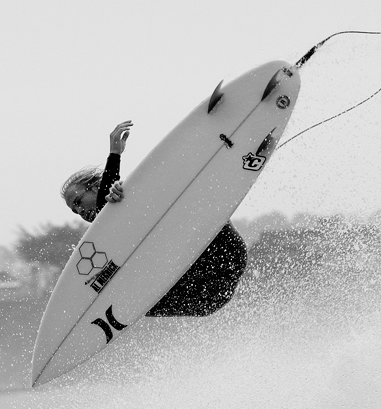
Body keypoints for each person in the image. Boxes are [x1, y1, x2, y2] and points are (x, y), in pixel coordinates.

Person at [60, 120, 247, 317]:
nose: (80, 211)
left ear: (94, 187)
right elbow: (107, 217)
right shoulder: (107, 238)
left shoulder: (128, 196)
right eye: (75, 211)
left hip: (221, 251)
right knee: (125, 301)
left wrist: (115, 154)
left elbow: (107, 212)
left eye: (79, 201)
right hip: (205, 297)